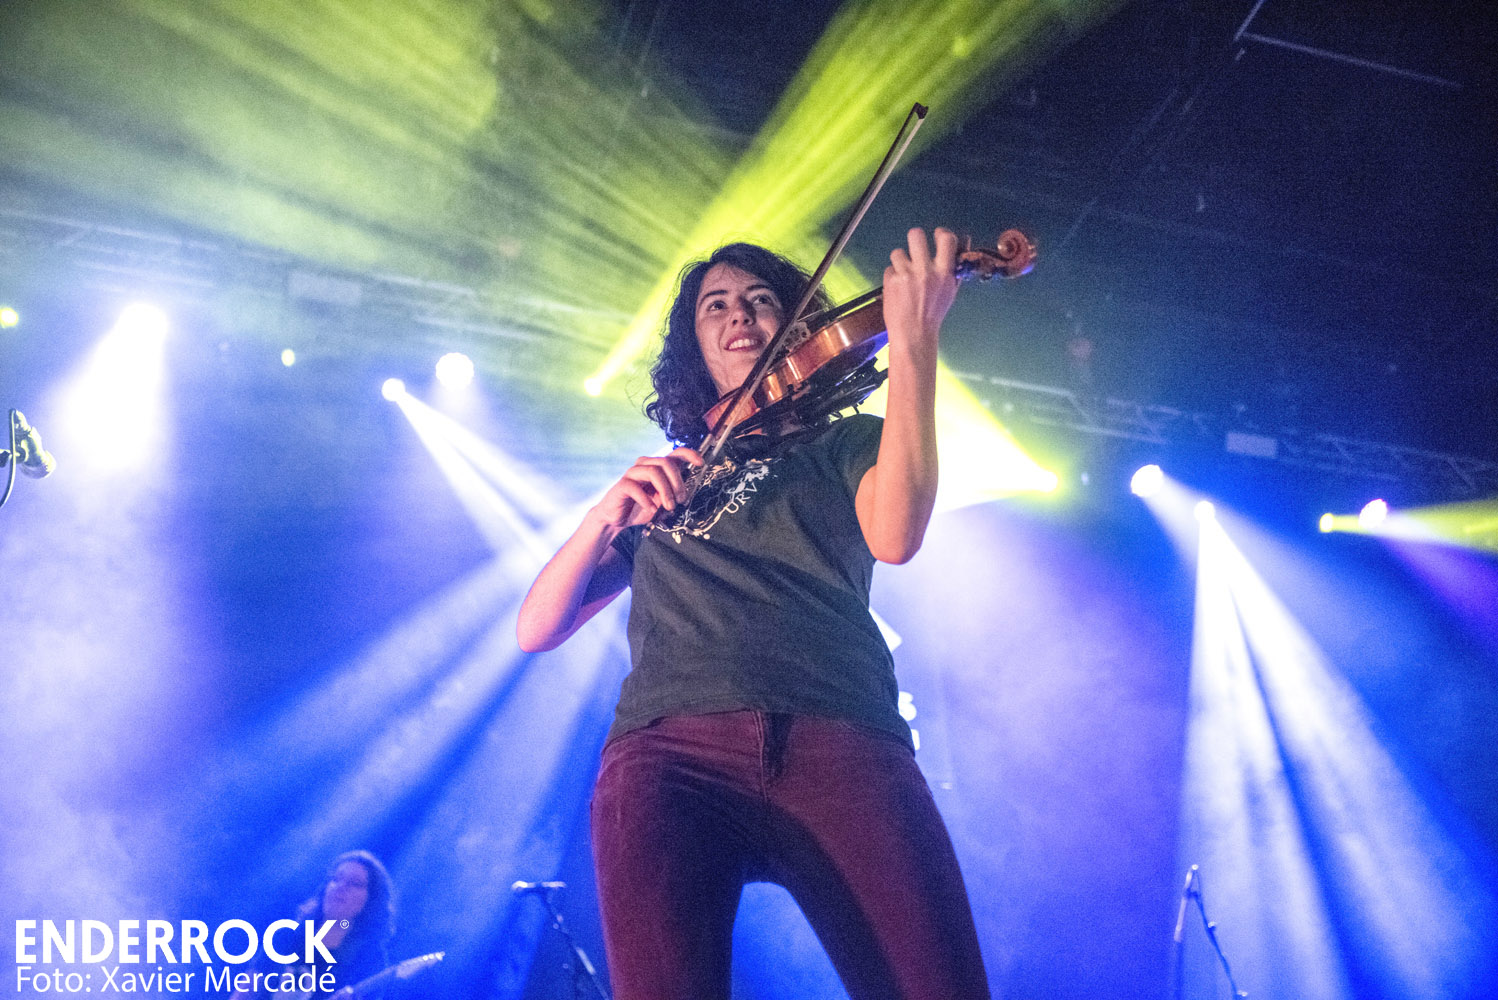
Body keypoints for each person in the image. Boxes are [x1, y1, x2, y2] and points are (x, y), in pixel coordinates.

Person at [517, 228, 989, 1000]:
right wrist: (603, 518)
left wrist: (914, 342)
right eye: (716, 305)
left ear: (798, 329)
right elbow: (537, 627)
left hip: (840, 735)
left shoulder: (844, 444)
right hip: (671, 756)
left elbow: (896, 537)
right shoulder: (667, 483)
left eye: (761, 299)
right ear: (694, 348)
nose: (739, 313)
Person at [230, 850, 397, 1000]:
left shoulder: (370, 959)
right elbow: (245, 990)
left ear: (371, 900)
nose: (341, 886)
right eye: (336, 878)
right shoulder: (287, 935)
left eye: (354, 883)